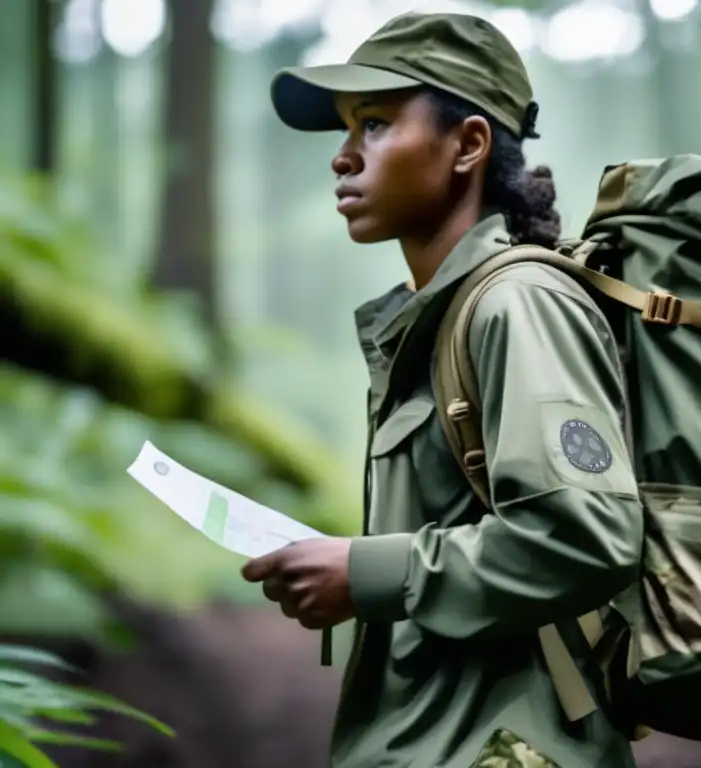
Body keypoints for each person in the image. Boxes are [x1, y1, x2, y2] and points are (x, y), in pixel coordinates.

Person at [240, 11, 644, 768]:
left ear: (467, 145)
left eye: (376, 124)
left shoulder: (516, 304)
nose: (344, 158)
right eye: (346, 131)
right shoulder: (442, 319)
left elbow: (588, 536)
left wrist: (365, 574)